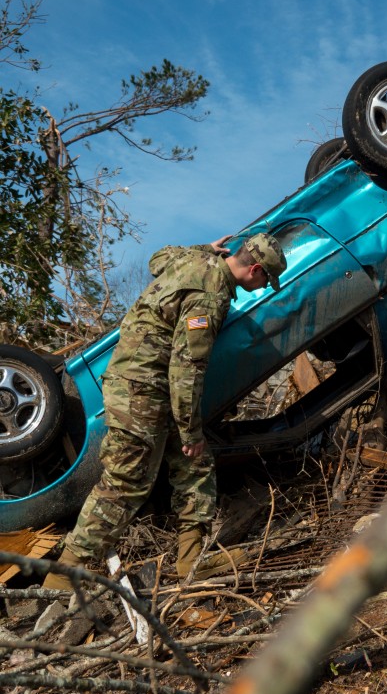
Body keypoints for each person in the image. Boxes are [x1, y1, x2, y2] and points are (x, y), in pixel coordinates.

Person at [43, 232, 287, 589]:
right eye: (267, 278)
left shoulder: (192, 261)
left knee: (195, 465)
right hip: (141, 390)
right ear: (254, 269)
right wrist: (190, 431)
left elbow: (157, 257)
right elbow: (187, 366)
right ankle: (63, 577)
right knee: (127, 482)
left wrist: (204, 248)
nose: (264, 285)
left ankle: (191, 560)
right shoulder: (210, 295)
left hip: (147, 387)